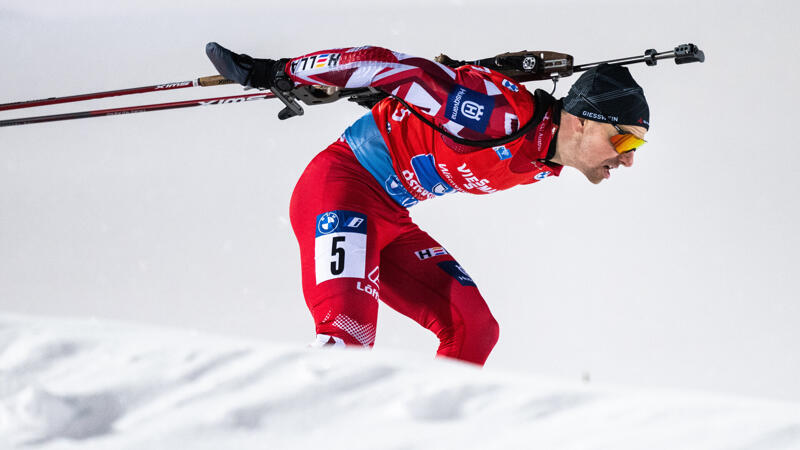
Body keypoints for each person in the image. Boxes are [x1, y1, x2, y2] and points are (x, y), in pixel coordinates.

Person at [206, 42, 649, 366]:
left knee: (474, 331)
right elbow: (397, 68)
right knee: (346, 341)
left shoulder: (543, 153)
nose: (628, 158)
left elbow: (426, 108)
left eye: (638, 146)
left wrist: (411, 100)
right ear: (581, 121)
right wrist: (281, 72)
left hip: (391, 215)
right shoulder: (502, 115)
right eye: (624, 138)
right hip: (341, 189)